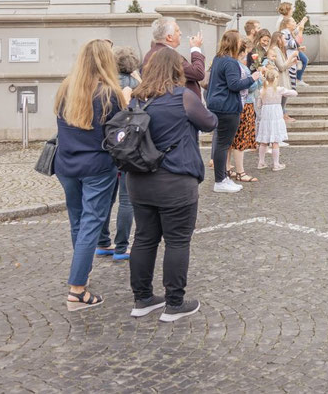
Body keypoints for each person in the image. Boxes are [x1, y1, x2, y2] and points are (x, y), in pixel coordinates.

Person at [127, 47, 218, 322]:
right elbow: (210, 122)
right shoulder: (183, 97)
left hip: (139, 180)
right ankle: (174, 303)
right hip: (176, 180)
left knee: (144, 238)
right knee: (177, 241)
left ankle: (142, 299)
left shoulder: (137, 98)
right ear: (176, 70)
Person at [53, 39, 130, 311]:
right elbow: (120, 132)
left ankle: (81, 273)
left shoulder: (66, 87)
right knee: (91, 223)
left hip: (66, 164)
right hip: (97, 166)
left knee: (78, 222)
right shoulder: (110, 93)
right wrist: (126, 101)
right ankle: (77, 291)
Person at [94, 46, 141, 262]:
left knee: (107, 197)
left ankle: (103, 241)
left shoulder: (106, 85)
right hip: (129, 147)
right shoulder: (136, 85)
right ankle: (122, 246)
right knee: (126, 199)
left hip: (107, 145)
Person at [205, 31, 262, 193]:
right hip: (227, 107)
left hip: (218, 105)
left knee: (222, 144)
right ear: (233, 43)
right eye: (239, 41)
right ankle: (220, 181)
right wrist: (253, 78)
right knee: (223, 145)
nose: (241, 43)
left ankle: (223, 177)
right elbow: (234, 84)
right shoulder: (230, 62)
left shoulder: (218, 58)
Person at [142, 17, 205, 99]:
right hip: (177, 102)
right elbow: (198, 73)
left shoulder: (153, 52)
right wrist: (195, 48)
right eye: (177, 30)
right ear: (169, 37)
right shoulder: (166, 56)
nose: (181, 33)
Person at [225, 36, 259, 184]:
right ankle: (240, 172)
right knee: (240, 139)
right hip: (245, 104)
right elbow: (248, 87)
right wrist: (257, 78)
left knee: (230, 140)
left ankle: (227, 168)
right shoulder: (239, 66)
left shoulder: (232, 64)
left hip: (238, 104)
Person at [255, 67, 298, 171]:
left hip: (265, 117)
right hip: (276, 116)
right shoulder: (279, 90)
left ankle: (261, 162)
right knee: (275, 141)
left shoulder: (262, 90)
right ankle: (276, 164)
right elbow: (294, 93)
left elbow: (258, 105)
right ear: (276, 78)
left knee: (263, 141)